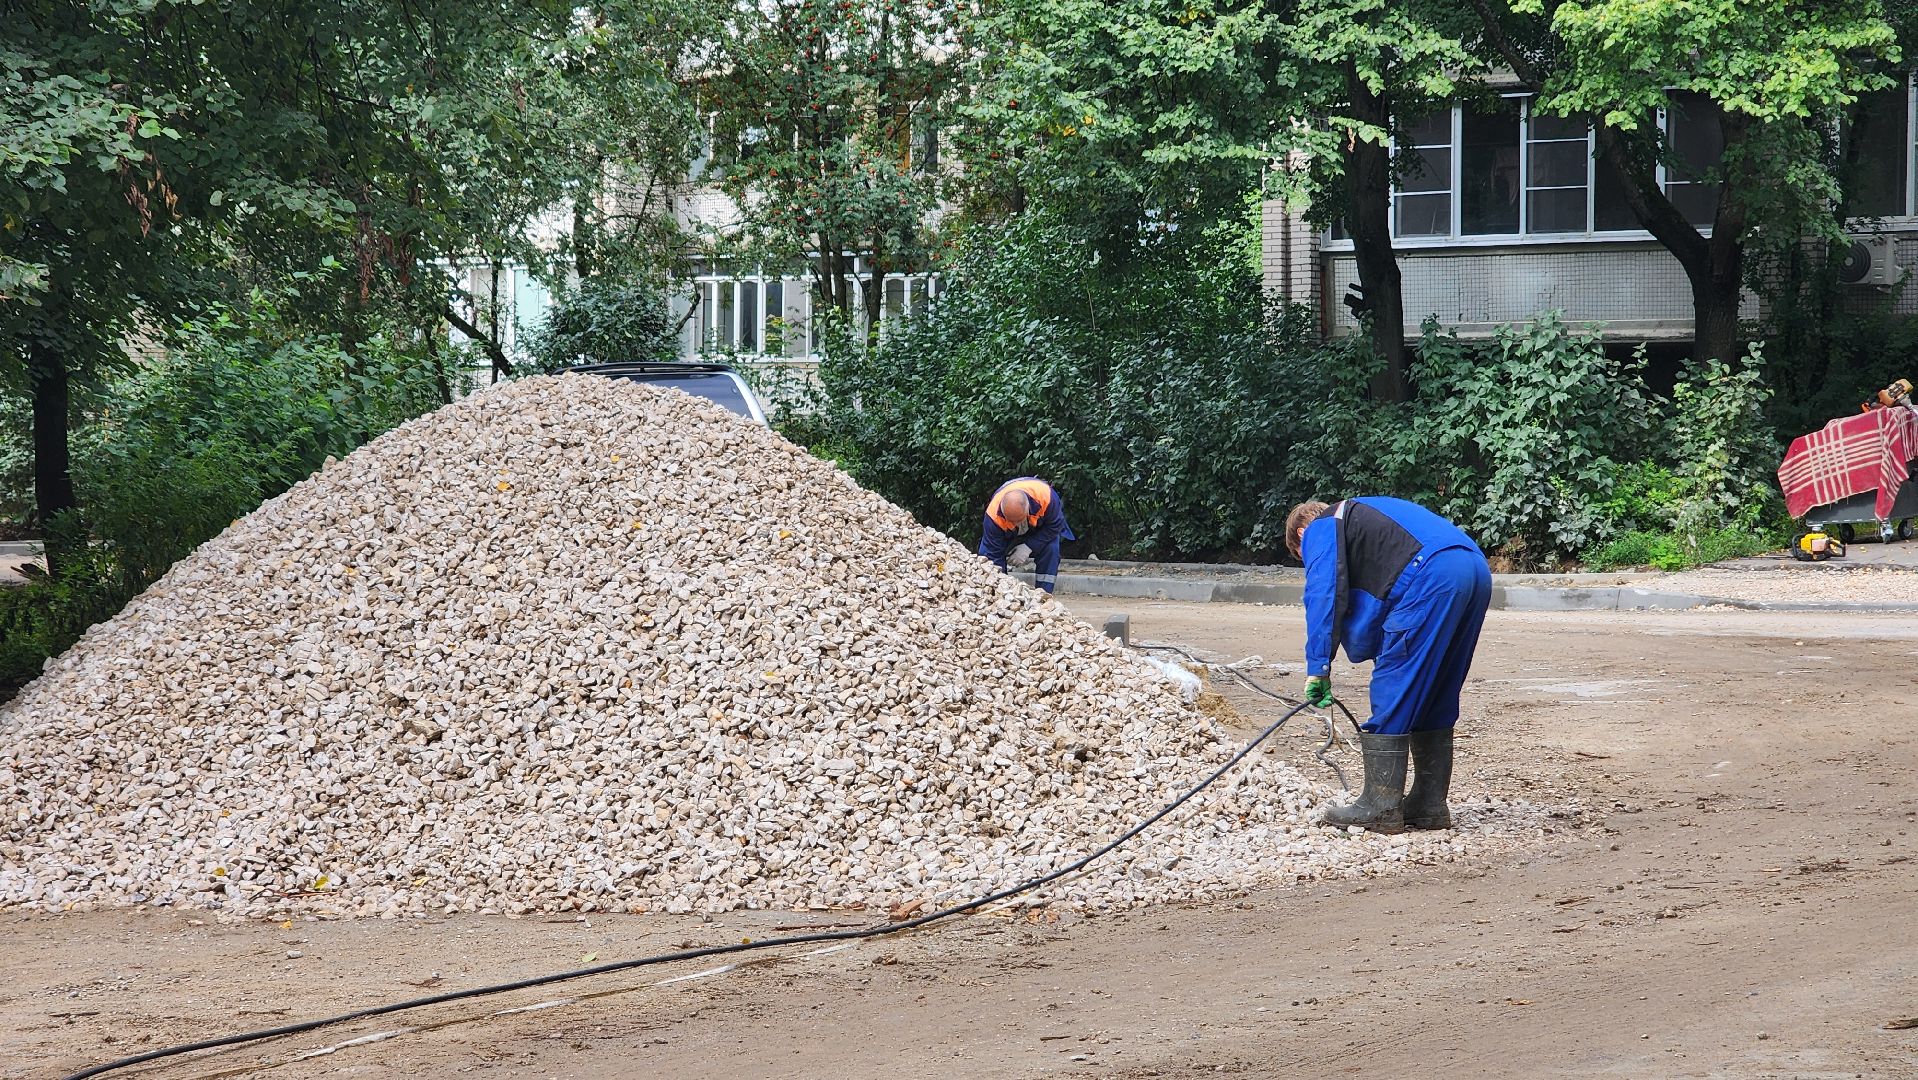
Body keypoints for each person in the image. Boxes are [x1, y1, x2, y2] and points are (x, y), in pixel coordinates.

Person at [1287, 497, 1492, 833]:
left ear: (1301, 533)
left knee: (1395, 681)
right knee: (1437, 686)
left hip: (1431, 575)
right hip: (1474, 568)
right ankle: (1429, 804)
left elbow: (1324, 593)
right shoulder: (1368, 517)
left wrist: (1318, 667)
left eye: (1302, 556)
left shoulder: (1323, 525)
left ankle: (1380, 806)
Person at [979, 477, 1076, 593]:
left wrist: (1029, 546)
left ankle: (1044, 595)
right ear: (1003, 511)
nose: (1015, 524)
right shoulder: (993, 516)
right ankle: (998, 592)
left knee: (1052, 548)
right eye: (1011, 521)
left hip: (1039, 532)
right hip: (1008, 537)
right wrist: (1002, 590)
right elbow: (993, 553)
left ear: (1027, 508)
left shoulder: (1046, 497)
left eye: (1018, 520)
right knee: (986, 553)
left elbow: (1055, 526)